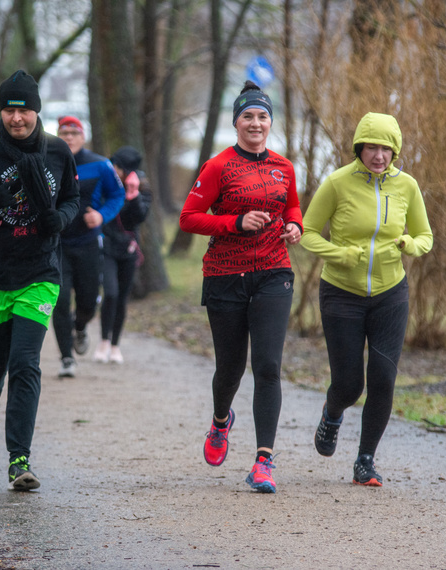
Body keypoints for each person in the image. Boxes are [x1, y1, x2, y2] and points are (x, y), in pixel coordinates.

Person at [0, 70, 79, 491]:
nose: (16, 118)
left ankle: (19, 458)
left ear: (37, 111)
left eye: (23, 110)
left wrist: (60, 217)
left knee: (26, 363)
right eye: (9, 109)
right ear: (0, 111)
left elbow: (72, 197)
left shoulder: (58, 152)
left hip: (38, 273)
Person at [178, 80, 303, 494]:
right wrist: (234, 222)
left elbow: (292, 205)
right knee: (230, 368)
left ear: (270, 123)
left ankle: (264, 461)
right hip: (224, 276)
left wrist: (294, 225)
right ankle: (220, 422)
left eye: (262, 116)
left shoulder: (284, 166)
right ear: (236, 123)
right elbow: (189, 217)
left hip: (273, 272)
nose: (255, 123)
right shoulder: (218, 166)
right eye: (247, 116)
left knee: (267, 367)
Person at [300, 112, 433, 487]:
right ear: (359, 147)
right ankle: (332, 412)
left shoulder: (406, 186)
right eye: (371, 147)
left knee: (384, 377)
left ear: (395, 151)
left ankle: (365, 461)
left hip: (391, 293)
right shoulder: (337, 183)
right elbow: (308, 232)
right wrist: (337, 254)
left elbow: (426, 236)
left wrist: (410, 244)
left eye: (386, 148)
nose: (378, 155)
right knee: (348, 383)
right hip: (341, 292)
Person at [54, 115, 125, 377]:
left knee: (88, 301)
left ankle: (80, 326)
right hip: (57, 244)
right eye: (64, 132)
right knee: (59, 300)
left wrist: (101, 216)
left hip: (88, 243)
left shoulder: (100, 165)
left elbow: (117, 195)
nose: (69, 137)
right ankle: (66, 358)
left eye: (74, 133)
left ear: (83, 137)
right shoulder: (49, 161)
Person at [92, 146, 151, 365]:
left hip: (128, 250)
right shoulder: (105, 183)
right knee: (111, 293)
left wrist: (132, 195)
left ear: (127, 170)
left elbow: (140, 217)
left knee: (122, 298)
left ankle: (115, 345)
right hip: (106, 247)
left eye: (117, 167)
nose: (113, 169)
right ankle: (103, 341)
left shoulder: (142, 187)